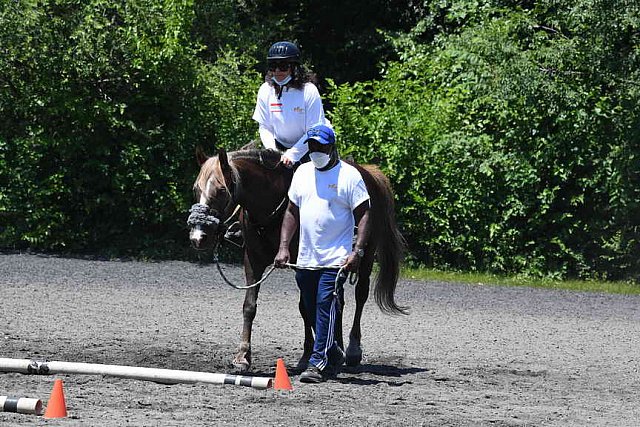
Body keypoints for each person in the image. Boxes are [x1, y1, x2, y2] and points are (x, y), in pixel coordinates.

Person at [274, 124, 371, 383]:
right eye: (311, 146)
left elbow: (364, 216)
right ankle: (334, 350)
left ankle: (317, 362)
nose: (315, 151)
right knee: (309, 305)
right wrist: (284, 246)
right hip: (306, 257)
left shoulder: (349, 176)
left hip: (335, 258)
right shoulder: (302, 173)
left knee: (324, 304)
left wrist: (357, 251)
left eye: (321, 146)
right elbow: (292, 212)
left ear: (332, 147)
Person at [252, 41, 331, 167]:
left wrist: (292, 154)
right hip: (279, 147)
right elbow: (265, 127)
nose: (277, 71)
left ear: (294, 68)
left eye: (283, 66)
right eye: (273, 66)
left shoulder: (309, 91)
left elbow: (313, 130)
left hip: (313, 146)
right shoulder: (265, 90)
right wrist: (274, 152)